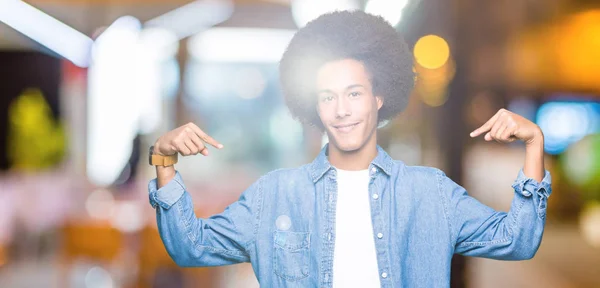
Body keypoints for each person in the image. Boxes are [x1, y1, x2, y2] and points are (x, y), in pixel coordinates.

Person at [147, 10, 551, 288]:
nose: (341, 110)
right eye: (327, 97)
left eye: (354, 93)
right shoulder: (274, 195)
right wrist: (164, 163)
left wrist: (534, 144)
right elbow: (191, 247)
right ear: (314, 107)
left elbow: (517, 240)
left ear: (379, 97)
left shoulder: (431, 194)